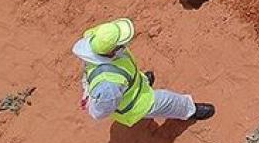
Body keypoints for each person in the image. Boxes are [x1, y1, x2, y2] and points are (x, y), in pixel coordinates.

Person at [73, 17, 215, 124]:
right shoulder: (108, 85)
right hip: (137, 103)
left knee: (135, 80)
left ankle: (142, 83)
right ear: (112, 50)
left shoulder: (95, 49)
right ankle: (191, 110)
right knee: (171, 101)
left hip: (132, 85)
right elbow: (101, 111)